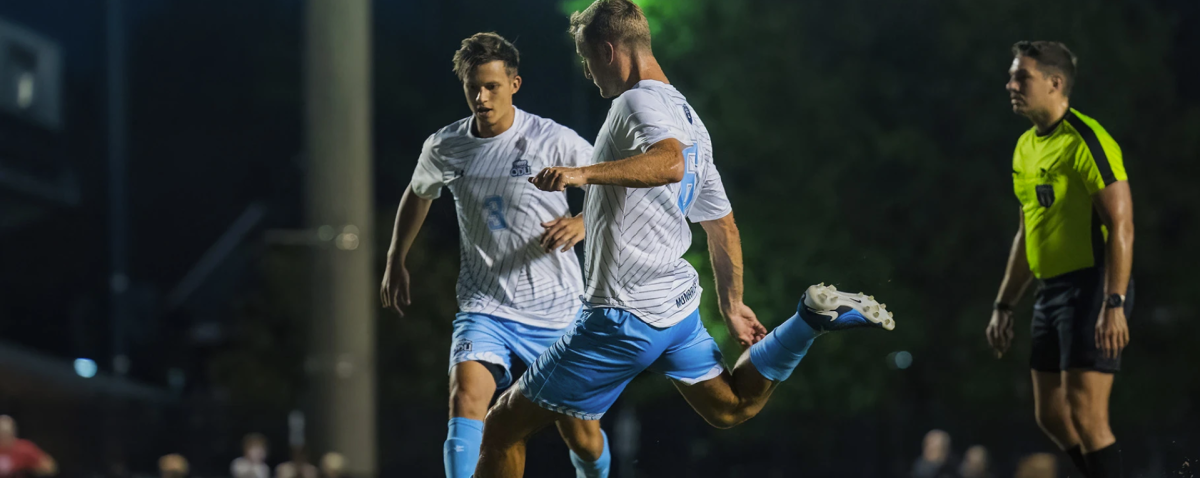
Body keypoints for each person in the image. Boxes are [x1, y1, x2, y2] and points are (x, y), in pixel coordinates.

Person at [474, 1, 895, 476]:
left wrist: (579, 174)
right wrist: (733, 306)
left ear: (609, 51)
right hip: (675, 309)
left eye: (588, 61)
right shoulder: (690, 118)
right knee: (732, 407)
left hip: (621, 317)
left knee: (501, 428)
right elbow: (722, 224)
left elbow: (669, 162)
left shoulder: (636, 102)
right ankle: (808, 321)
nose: (590, 74)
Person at [379, 32, 609, 478]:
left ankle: (596, 473)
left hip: (557, 308)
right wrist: (395, 257)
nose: (481, 98)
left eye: (492, 87)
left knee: (581, 434)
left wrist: (582, 224)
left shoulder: (552, 139)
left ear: (514, 85)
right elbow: (419, 192)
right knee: (465, 396)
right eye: (473, 88)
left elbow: (611, 185)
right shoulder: (446, 146)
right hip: (485, 306)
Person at [987, 41, 1133, 478]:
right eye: (1012, 76)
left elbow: (1122, 227)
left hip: (1093, 285)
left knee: (1087, 415)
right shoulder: (1024, 148)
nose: (1010, 84)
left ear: (1055, 83)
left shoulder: (1087, 140)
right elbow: (1027, 232)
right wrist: (1003, 304)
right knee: (1050, 414)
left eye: (1022, 77)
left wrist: (1115, 303)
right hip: (1050, 289)